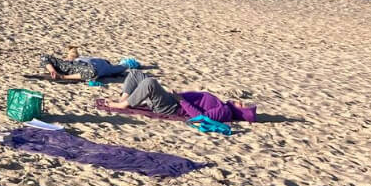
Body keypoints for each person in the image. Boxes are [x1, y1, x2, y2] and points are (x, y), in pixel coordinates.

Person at [105, 69, 257, 122]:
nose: (238, 101)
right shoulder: (223, 105)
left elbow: (200, 117)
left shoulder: (225, 111)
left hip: (173, 107)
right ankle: (124, 100)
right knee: (135, 74)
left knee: (150, 82)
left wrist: (182, 100)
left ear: (240, 112)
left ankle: (123, 105)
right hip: (173, 100)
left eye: (241, 105)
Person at [40, 46, 128, 82]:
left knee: (44, 57)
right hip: (80, 67)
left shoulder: (91, 59)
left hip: (70, 66)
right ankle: (60, 75)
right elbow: (122, 67)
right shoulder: (107, 66)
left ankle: (56, 73)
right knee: (92, 72)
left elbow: (45, 57)